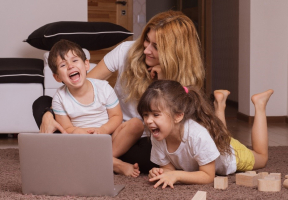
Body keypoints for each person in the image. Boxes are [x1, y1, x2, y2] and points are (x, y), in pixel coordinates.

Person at [33, 10, 225, 174]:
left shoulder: (184, 79)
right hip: (107, 128)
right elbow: (83, 84)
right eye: (147, 41)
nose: (147, 50)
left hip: (144, 138)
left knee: (154, 157)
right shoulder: (126, 51)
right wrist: (49, 114)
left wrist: (163, 80)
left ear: (175, 52)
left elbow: (183, 129)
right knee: (40, 103)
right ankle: (102, 158)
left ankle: (87, 157)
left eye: (156, 47)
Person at [137, 80, 273, 188]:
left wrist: (176, 176)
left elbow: (208, 175)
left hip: (230, 154)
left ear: (178, 116)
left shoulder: (197, 135)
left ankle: (259, 104)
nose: (148, 121)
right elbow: (168, 169)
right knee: (220, 134)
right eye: (145, 115)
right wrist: (161, 173)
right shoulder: (158, 135)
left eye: (155, 114)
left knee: (262, 157)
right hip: (212, 141)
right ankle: (220, 103)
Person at [47, 39, 140, 177]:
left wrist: (103, 130)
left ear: (86, 65)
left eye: (74, 60)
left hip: (109, 137)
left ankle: (98, 159)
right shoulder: (59, 97)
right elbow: (66, 129)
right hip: (81, 142)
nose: (70, 66)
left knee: (136, 124)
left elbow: (116, 117)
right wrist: (82, 132)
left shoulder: (103, 87)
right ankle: (113, 163)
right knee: (76, 134)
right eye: (63, 65)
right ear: (57, 77)